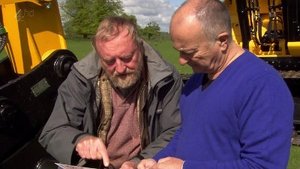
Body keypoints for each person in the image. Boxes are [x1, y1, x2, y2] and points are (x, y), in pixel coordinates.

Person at [137, 0, 294, 169]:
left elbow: (263, 166)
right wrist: (158, 160)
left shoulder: (262, 86)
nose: (181, 61)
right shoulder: (196, 81)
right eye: (179, 51)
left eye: (189, 52)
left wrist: (186, 167)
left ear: (222, 41)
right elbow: (186, 134)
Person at [39, 16, 183, 169]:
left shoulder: (165, 78)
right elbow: (52, 131)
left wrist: (138, 162)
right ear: (99, 57)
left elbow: (175, 130)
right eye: (110, 61)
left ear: (140, 48)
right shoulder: (81, 77)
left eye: (127, 58)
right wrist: (79, 140)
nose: (120, 68)